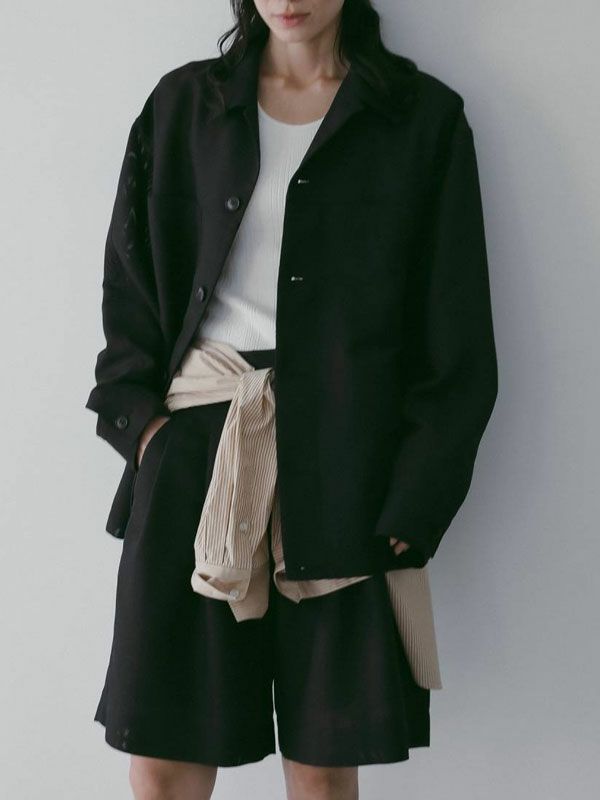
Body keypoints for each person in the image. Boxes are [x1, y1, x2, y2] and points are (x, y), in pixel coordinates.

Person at [85, 1, 498, 798]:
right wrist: (146, 431)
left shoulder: (420, 119)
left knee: (322, 768)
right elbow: (129, 287)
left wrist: (418, 496)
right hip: (196, 456)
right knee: (164, 762)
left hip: (346, 465)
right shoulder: (185, 107)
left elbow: (457, 332)